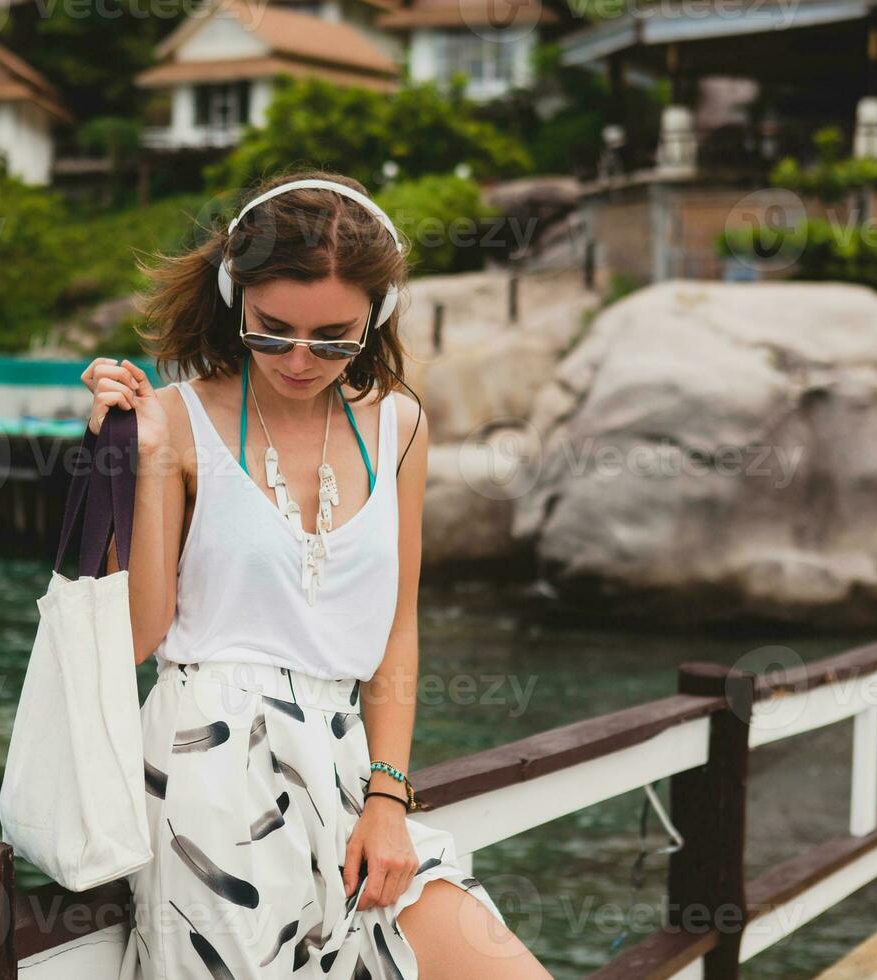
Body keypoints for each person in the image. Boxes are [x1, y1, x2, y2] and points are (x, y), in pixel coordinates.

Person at [81, 171, 552, 980]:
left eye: (334, 338)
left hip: (346, 770)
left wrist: (388, 797)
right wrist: (142, 454)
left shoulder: (399, 424)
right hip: (207, 777)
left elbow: (398, 630)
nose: (300, 360)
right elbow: (139, 633)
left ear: (380, 315)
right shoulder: (178, 419)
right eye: (272, 331)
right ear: (236, 296)